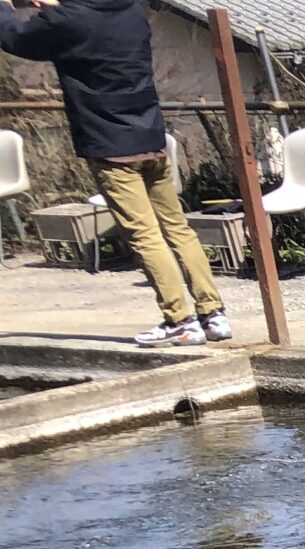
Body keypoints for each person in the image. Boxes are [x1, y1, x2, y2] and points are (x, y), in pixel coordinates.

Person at [0, 0, 230, 347]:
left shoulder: (68, 19)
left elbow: (16, 38)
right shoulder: (130, 11)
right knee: (177, 228)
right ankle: (213, 315)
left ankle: (179, 320)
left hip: (110, 144)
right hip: (151, 136)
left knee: (144, 235)